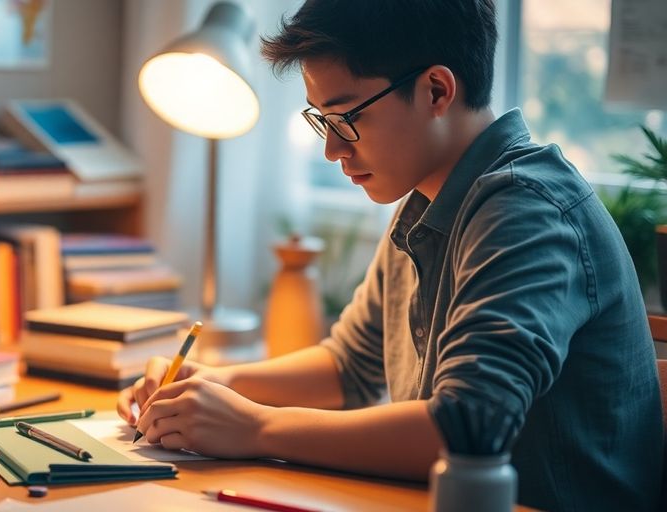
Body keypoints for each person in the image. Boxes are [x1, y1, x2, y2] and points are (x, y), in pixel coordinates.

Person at [116, 1, 663, 510]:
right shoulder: (427, 200)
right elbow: (348, 366)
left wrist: (257, 428)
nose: (332, 149)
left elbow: (467, 424)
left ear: (436, 91)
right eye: (321, 121)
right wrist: (216, 385)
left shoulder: (526, 210)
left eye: (345, 117)